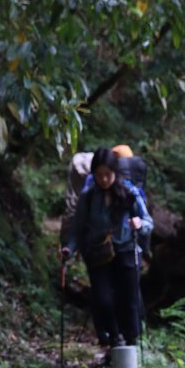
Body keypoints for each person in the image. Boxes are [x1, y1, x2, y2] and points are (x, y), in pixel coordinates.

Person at [62, 146, 153, 353]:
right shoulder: (89, 196)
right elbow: (77, 227)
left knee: (128, 302)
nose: (103, 179)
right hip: (99, 253)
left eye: (107, 175)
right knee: (103, 300)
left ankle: (129, 349)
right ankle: (114, 342)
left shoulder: (129, 193)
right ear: (93, 174)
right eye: (99, 175)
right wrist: (68, 249)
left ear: (115, 173)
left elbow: (148, 221)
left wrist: (140, 224)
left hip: (127, 250)